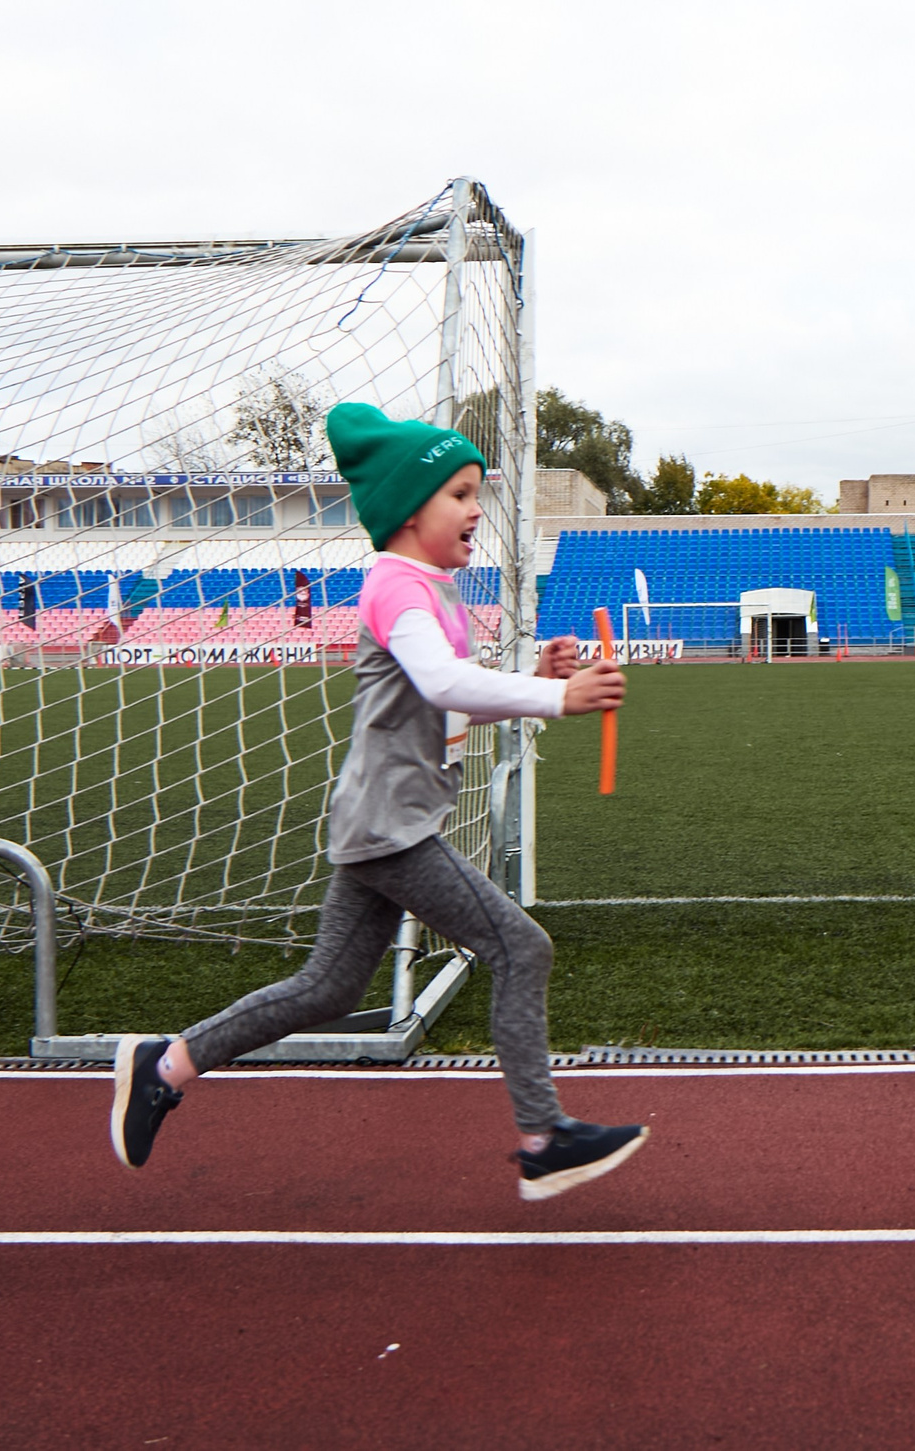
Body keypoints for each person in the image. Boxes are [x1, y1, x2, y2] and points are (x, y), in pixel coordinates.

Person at [109, 405, 650, 1200]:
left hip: (385, 821)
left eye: (476, 493)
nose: (476, 509)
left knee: (328, 988)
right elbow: (442, 681)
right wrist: (558, 698)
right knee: (521, 948)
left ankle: (164, 1064)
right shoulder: (397, 585)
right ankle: (543, 1137)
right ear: (409, 508)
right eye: (460, 493)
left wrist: (536, 678)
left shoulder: (433, 590)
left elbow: (447, 705)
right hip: (393, 828)